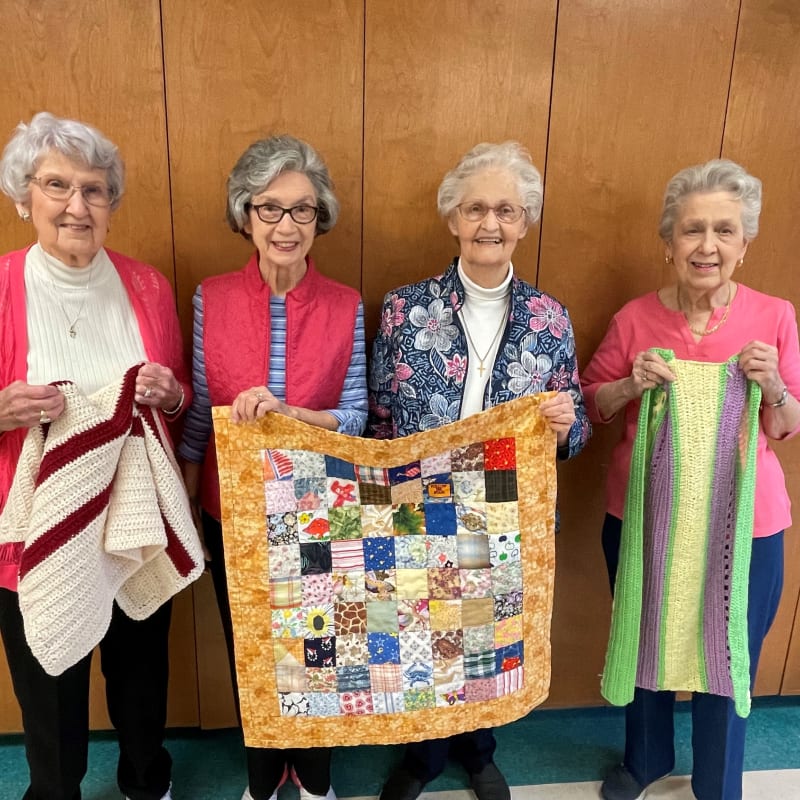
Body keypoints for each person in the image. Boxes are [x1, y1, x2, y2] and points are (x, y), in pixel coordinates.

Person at [369, 141, 590, 800]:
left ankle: (479, 750)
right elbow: (380, 416)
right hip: (419, 500)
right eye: (475, 209)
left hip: (503, 509)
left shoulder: (550, 319)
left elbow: (575, 433)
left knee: (488, 636)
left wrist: (562, 423)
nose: (490, 224)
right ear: (453, 220)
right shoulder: (405, 308)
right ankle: (421, 758)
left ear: (524, 222)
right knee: (419, 634)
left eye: (505, 210)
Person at [581, 159, 800, 800]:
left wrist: (774, 385)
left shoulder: (775, 316)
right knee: (643, 635)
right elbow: (593, 401)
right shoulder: (635, 318)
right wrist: (630, 382)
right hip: (646, 516)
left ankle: (717, 782)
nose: (708, 246)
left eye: (724, 231)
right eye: (692, 230)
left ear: (744, 242)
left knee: (728, 656)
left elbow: (787, 425)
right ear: (669, 242)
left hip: (747, 525)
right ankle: (644, 761)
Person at [0, 112, 198, 800]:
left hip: (134, 520)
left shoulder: (145, 286)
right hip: (37, 525)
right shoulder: (0, 285)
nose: (76, 206)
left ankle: (148, 780)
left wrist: (171, 395)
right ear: (24, 197)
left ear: (112, 203)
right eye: (57, 186)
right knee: (49, 683)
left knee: (141, 674)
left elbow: (176, 403)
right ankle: (56, 792)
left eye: (94, 190)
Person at [178, 134, 368, 800]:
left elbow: (355, 418)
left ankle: (314, 779)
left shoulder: (347, 304)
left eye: (303, 210)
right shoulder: (212, 298)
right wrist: (184, 505)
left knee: (322, 649)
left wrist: (288, 414)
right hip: (232, 508)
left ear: (321, 219)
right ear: (244, 216)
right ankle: (264, 778)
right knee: (252, 651)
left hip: (321, 504)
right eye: (270, 209)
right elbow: (201, 413)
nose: (287, 226)